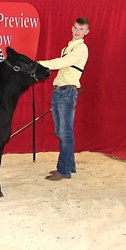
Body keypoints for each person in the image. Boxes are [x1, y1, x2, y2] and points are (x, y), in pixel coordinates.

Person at [39, 17, 90, 181]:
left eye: (81, 29)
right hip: (59, 91)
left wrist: (40, 64)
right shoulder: (67, 47)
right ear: (72, 28)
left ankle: (63, 171)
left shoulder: (81, 49)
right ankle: (70, 166)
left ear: (86, 32)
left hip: (67, 92)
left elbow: (64, 62)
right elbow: (64, 63)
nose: (77, 31)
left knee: (65, 132)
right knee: (61, 132)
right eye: (75, 27)